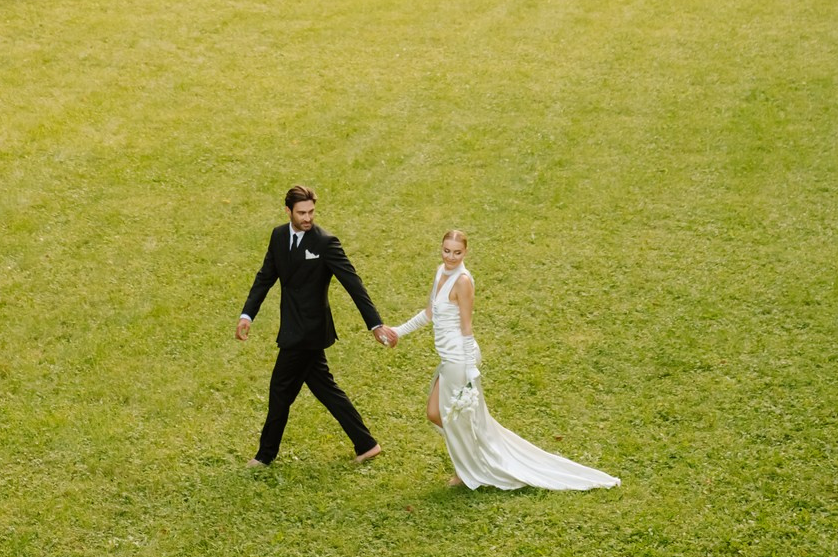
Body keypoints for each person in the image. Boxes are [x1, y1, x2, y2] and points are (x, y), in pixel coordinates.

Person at [385, 227, 620, 492]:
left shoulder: (463, 281)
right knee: (436, 414)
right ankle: (471, 460)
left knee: (451, 417)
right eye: (446, 251)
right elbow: (430, 312)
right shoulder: (441, 272)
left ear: (466, 252)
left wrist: (469, 370)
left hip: (459, 360)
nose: (451, 257)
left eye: (457, 253)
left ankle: (467, 470)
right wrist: (398, 331)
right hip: (448, 358)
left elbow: (466, 327)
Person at [236, 185, 394, 468]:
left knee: (280, 389)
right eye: (301, 213)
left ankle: (265, 455)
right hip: (292, 326)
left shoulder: (325, 243)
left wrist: (375, 324)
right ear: (288, 212)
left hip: (308, 332)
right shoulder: (278, 236)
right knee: (324, 388)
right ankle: (367, 444)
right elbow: (265, 277)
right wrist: (247, 315)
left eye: (311, 212)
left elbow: (352, 283)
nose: (308, 218)